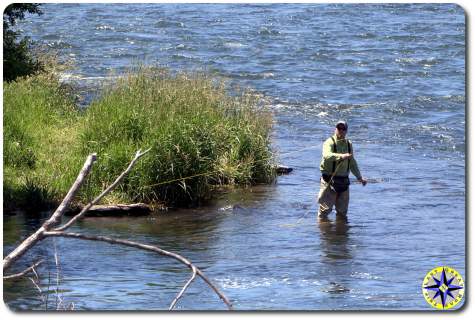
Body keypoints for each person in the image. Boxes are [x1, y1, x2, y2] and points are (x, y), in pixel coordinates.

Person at [317, 120, 367, 221]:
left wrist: (359, 177)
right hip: (329, 181)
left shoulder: (349, 144)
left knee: (342, 212)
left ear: (346, 131)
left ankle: (341, 234)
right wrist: (341, 156)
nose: (341, 130)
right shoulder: (329, 142)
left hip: (344, 182)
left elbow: (352, 162)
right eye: (339, 128)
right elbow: (326, 156)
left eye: (343, 129)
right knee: (325, 211)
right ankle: (323, 234)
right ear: (335, 129)